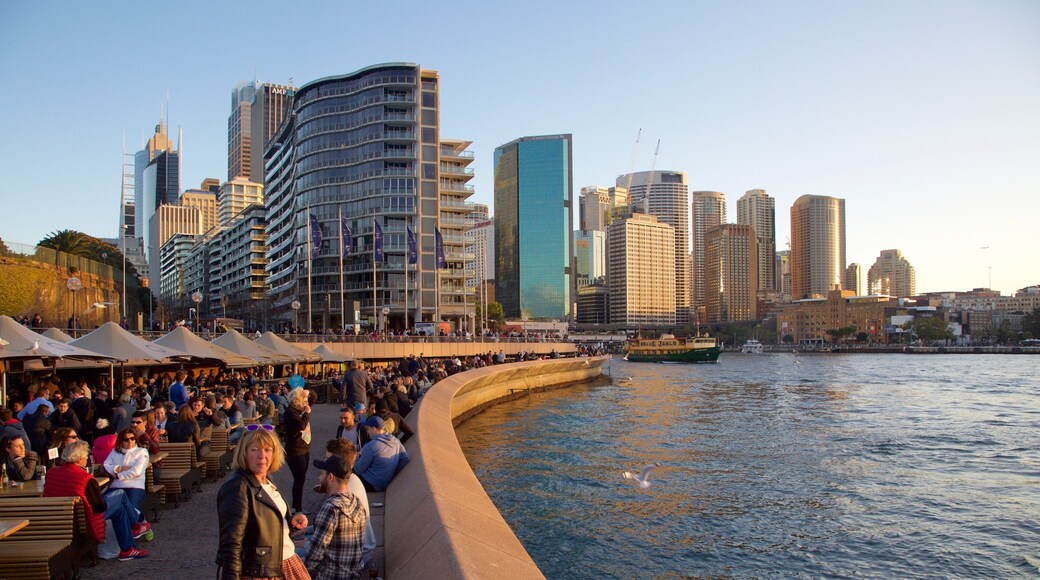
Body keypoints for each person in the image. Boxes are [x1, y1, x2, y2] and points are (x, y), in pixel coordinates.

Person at [216, 426, 309, 579]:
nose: (262, 456)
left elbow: (260, 524)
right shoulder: (237, 488)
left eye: (268, 449)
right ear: (244, 453)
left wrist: (288, 522)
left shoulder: (266, 480)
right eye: (254, 450)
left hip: (284, 563)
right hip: (261, 573)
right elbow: (231, 545)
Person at [43, 440, 149, 561]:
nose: (86, 459)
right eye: (86, 456)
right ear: (80, 458)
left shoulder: (51, 473)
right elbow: (99, 507)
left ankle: (130, 543)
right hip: (82, 521)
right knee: (120, 497)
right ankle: (133, 532)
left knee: (120, 502)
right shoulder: (85, 478)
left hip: (56, 518)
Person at [304, 455, 368, 579]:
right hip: (353, 573)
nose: (319, 478)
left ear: (330, 477)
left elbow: (314, 555)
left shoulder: (331, 508)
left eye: (321, 474)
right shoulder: (356, 502)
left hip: (331, 576)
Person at [103, 428, 151, 538]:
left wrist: (118, 475)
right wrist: (119, 468)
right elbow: (106, 465)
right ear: (121, 441)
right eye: (126, 440)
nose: (130, 442)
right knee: (106, 506)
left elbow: (137, 471)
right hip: (115, 486)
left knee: (131, 512)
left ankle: (138, 526)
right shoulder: (114, 452)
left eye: (132, 439)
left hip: (134, 486)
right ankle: (142, 523)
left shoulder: (141, 452)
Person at [354, 416, 409, 492]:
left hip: (370, 483)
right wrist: (391, 471)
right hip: (383, 483)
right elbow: (405, 459)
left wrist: (355, 457)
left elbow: (359, 470)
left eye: (368, 428)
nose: (367, 431)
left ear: (373, 429)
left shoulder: (370, 446)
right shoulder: (395, 441)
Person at [283, 388, 312, 514]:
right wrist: (306, 413)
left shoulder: (298, 409)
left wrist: (306, 392)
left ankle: (297, 506)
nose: (306, 403)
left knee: (301, 478)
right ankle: (297, 508)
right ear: (298, 401)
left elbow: (314, 398)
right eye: (304, 400)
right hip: (295, 450)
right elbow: (301, 425)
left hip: (303, 448)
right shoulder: (291, 412)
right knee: (299, 479)